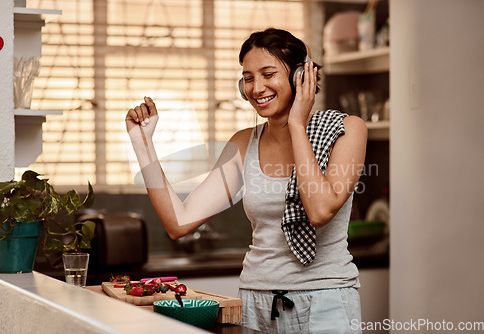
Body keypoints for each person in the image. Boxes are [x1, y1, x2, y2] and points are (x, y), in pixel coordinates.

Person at [126, 28, 367, 333]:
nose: (256, 88)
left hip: (326, 302)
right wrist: (142, 143)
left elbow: (319, 211)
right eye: (249, 78)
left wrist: (296, 124)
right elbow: (179, 222)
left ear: (300, 77)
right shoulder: (243, 144)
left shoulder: (347, 130)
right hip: (256, 305)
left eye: (268, 74)